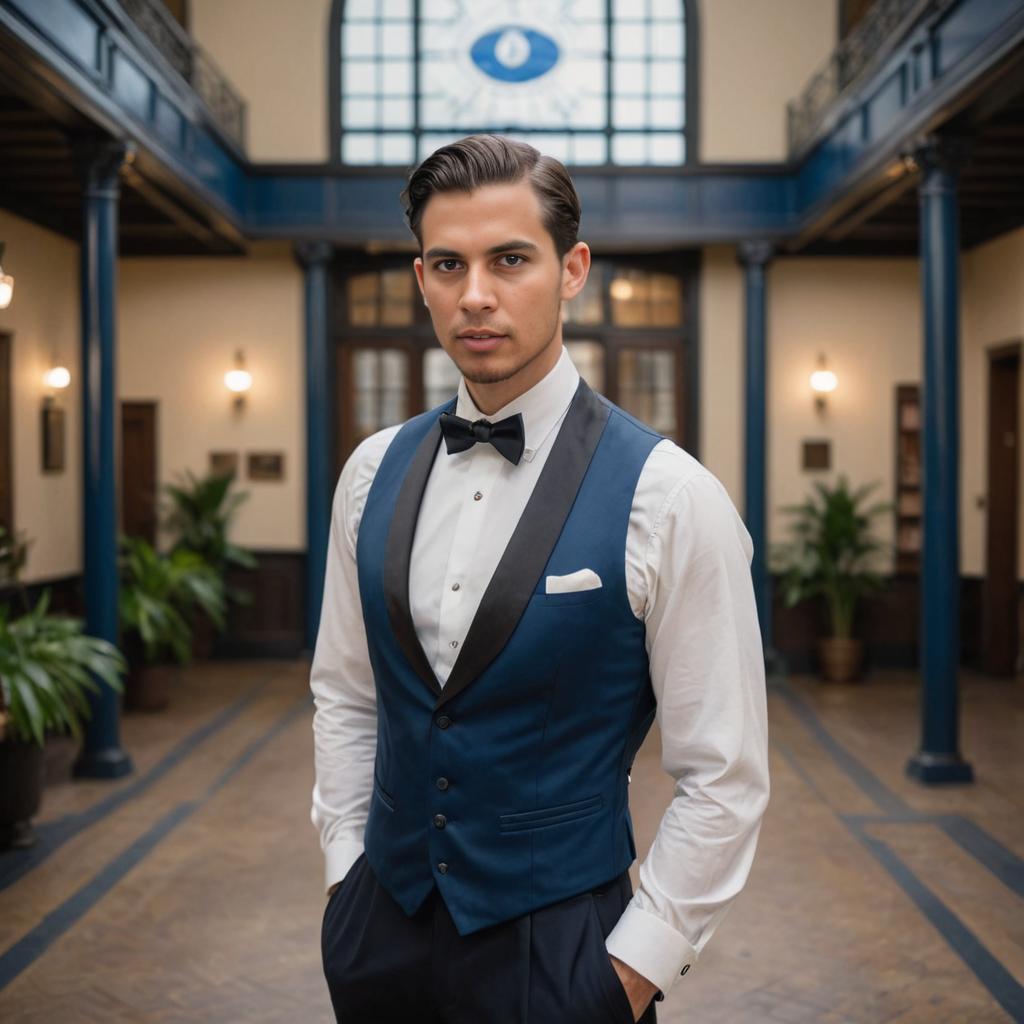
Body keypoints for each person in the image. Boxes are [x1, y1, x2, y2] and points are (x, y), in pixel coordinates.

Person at [310, 133, 770, 1023]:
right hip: (381, 940)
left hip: (563, 957)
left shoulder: (670, 498)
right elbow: (346, 691)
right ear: (421, 278)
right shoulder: (370, 472)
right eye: (448, 264)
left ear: (573, 269)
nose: (475, 295)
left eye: (510, 259)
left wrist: (630, 972)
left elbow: (725, 773)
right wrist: (344, 873)